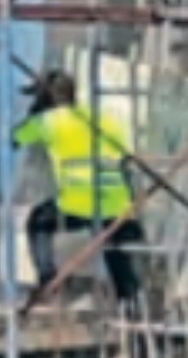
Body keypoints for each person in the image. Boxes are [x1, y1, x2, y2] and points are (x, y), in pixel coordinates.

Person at [16, 68, 144, 306]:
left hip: (78, 203)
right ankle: (130, 299)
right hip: (118, 202)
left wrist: (35, 112)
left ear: (46, 99)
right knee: (113, 246)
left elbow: (16, 138)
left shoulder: (47, 121)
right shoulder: (103, 117)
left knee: (38, 222)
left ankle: (48, 280)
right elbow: (126, 154)